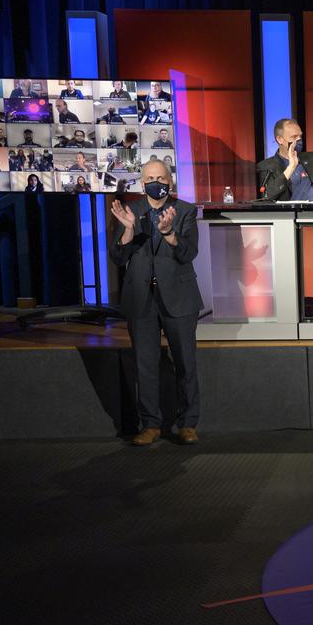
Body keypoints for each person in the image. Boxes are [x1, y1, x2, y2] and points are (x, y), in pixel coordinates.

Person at [108, 160, 202, 446]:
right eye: (149, 178)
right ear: (141, 182)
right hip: (141, 299)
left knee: (186, 363)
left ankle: (187, 424)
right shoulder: (130, 212)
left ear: (170, 182)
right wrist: (126, 232)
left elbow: (189, 254)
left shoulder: (185, 210)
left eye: (160, 177)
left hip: (179, 298)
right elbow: (118, 258)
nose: (155, 182)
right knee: (145, 364)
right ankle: (150, 425)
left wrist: (169, 234)